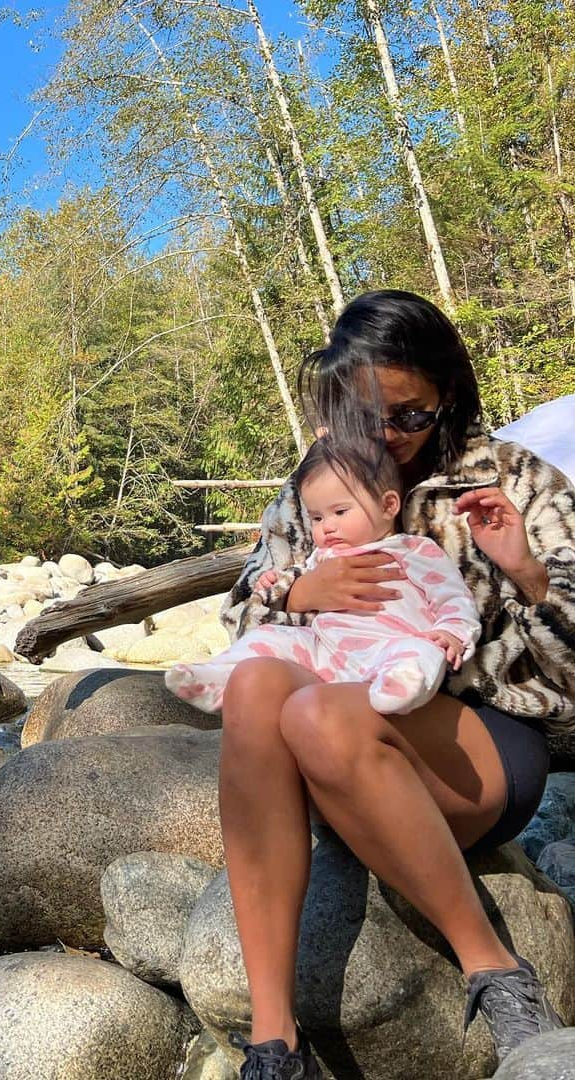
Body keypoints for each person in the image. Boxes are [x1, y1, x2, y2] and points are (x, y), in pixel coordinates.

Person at [216, 290, 572, 1079]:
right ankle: (273, 1042)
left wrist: (529, 575)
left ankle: (498, 973)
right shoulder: (316, 483)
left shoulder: (515, 482)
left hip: (473, 744)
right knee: (256, 693)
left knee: (316, 715)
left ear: (447, 390)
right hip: (331, 756)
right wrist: (298, 593)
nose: (386, 437)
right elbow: (245, 618)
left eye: (408, 415)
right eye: (363, 416)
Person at [166, 438, 480, 716]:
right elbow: (293, 580)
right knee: (269, 639)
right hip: (324, 652)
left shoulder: (414, 550)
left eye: (340, 512)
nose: (326, 526)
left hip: (389, 646)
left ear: (388, 505)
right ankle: (220, 678)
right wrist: (276, 586)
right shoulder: (323, 556)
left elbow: (454, 597)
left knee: (419, 652)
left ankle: (400, 691)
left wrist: (452, 632)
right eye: (316, 517)